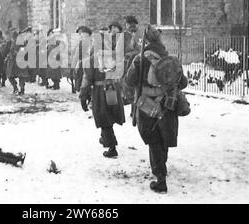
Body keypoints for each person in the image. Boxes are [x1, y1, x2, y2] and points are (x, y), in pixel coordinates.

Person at [123, 25, 188, 193]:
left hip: (147, 105)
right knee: (163, 137)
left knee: (154, 141)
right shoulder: (169, 58)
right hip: (167, 104)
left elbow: (129, 80)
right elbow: (183, 83)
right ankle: (162, 168)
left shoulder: (139, 59)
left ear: (145, 41)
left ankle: (160, 179)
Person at [79, 21, 125, 158]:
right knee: (109, 115)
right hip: (113, 89)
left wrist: (83, 97)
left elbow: (87, 80)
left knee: (103, 118)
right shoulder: (115, 57)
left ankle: (112, 147)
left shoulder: (91, 60)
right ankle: (105, 138)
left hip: (100, 91)